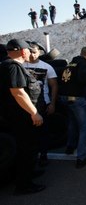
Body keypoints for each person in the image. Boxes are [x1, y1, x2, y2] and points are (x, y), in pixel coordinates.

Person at [0, 39, 45, 195]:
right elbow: (18, 92)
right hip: (22, 118)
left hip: (16, 117)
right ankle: (24, 185)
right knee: (26, 150)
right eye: (28, 50)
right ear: (22, 51)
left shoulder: (7, 65)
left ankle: (27, 176)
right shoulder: (13, 66)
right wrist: (34, 113)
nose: (30, 53)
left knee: (25, 149)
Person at [23, 41, 58, 166]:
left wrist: (52, 104)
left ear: (39, 52)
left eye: (34, 52)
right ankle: (31, 159)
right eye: (30, 52)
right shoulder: (20, 65)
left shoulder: (47, 67)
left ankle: (43, 156)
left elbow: (54, 86)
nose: (32, 55)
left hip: (42, 104)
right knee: (28, 135)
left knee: (43, 132)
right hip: (25, 105)